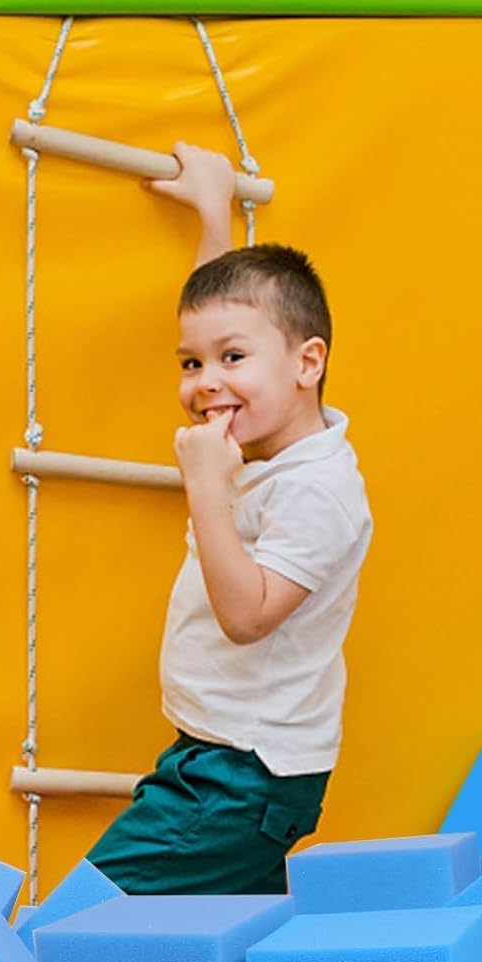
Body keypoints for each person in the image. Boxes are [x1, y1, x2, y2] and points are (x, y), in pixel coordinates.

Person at [84, 143, 373, 895]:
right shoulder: (263, 438)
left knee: (86, 920)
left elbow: (248, 617)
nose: (206, 383)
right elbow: (229, 315)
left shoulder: (321, 491)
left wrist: (207, 487)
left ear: (308, 364)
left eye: (230, 360)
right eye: (190, 365)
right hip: (217, 753)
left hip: (248, 776)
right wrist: (214, 212)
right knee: (215, 937)